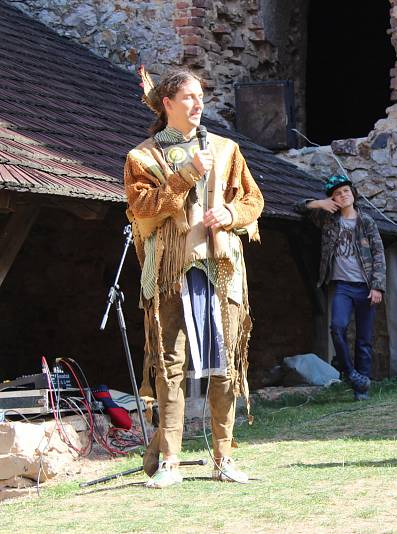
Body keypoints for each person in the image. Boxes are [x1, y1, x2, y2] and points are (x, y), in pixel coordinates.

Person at [124, 67, 264, 488]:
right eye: (188, 97)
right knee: (169, 364)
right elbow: (142, 209)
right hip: (170, 268)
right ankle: (169, 462)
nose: (198, 103)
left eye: (201, 96)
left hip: (220, 265)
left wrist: (230, 213)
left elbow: (253, 200)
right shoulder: (142, 156)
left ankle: (223, 458)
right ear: (167, 104)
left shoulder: (225, 149)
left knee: (225, 363)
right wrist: (186, 175)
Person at [295, 175, 386, 400]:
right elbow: (298, 207)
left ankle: (360, 387)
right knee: (337, 328)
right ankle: (351, 373)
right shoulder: (328, 220)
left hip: (365, 286)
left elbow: (379, 255)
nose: (343, 195)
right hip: (342, 286)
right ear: (332, 199)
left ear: (353, 193)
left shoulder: (366, 222)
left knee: (364, 339)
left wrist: (377, 287)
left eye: (345, 191)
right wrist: (319, 203)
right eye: (337, 193)